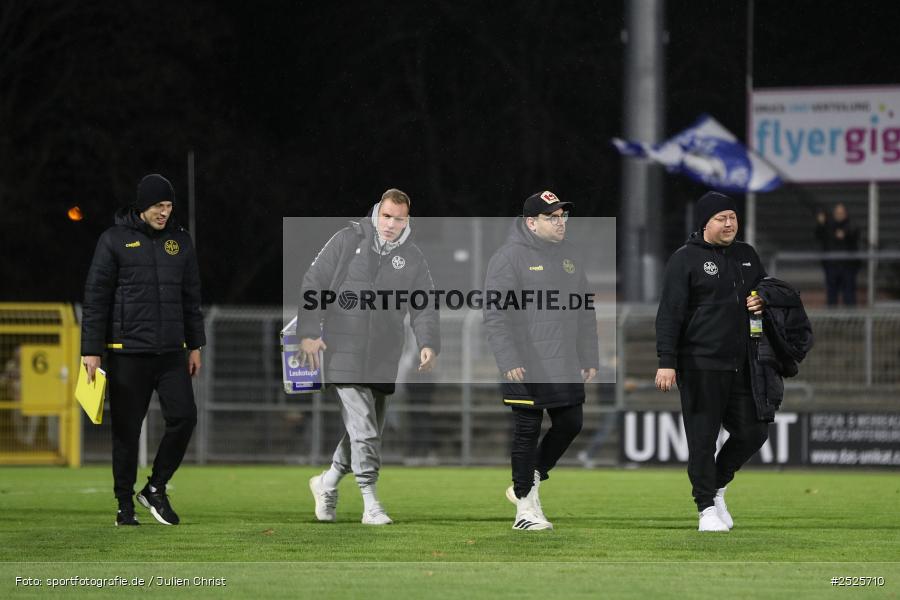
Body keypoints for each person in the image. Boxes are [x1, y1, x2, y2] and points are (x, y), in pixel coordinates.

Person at [299, 188, 439, 525]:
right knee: (364, 430)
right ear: (377, 212)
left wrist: (428, 342)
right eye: (387, 216)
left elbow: (424, 305)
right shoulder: (348, 240)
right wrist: (308, 332)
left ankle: (327, 482)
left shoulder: (414, 257)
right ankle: (370, 502)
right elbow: (314, 281)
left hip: (383, 356)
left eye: (399, 218)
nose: (391, 224)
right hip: (342, 352)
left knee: (365, 430)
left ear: (407, 220)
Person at [81, 173, 205, 527]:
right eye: (157, 206)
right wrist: (91, 350)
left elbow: (191, 297)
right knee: (126, 432)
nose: (164, 213)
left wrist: (195, 345)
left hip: (170, 354)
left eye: (168, 206)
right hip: (126, 354)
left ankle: (156, 487)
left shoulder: (180, 241)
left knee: (185, 418)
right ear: (142, 206)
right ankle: (124, 505)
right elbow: (96, 298)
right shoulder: (113, 240)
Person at [483, 191, 599, 531]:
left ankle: (529, 477)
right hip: (525, 362)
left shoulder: (571, 257)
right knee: (526, 430)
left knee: (571, 423)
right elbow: (495, 314)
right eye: (553, 217)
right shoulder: (508, 258)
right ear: (531, 223)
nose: (560, 222)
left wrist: (588, 355)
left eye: (563, 216)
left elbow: (584, 311)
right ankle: (525, 509)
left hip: (562, 362)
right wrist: (508, 360)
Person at [655, 191, 769, 532]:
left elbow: (766, 293)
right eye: (721, 218)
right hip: (700, 363)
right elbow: (670, 313)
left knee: (754, 430)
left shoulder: (747, 255)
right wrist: (666, 360)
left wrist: (763, 302)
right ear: (705, 223)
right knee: (702, 439)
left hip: (743, 363)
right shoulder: (685, 259)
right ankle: (706, 509)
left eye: (732, 217)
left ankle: (717, 485)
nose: (729, 223)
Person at [814, 202, 860, 307]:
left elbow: (854, 233)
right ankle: (832, 321)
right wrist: (821, 223)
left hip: (848, 267)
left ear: (846, 214)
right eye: (837, 213)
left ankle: (851, 320)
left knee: (849, 296)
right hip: (831, 267)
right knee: (832, 296)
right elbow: (818, 235)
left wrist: (845, 233)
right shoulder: (828, 226)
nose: (839, 215)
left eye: (841, 212)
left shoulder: (851, 225)